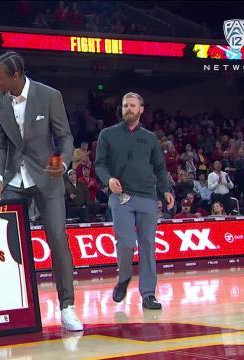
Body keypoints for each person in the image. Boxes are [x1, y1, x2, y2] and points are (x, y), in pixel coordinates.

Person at [0, 51, 82, 330]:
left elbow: (64, 138)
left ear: (15, 77)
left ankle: (67, 307)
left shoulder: (50, 95)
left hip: (47, 177)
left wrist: (60, 164)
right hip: (13, 179)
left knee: (57, 239)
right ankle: (12, 306)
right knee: (5, 245)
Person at [94, 92, 174, 310]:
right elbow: (99, 164)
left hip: (148, 196)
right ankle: (124, 279)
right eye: (124, 105)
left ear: (141, 109)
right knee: (127, 242)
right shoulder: (107, 134)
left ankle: (148, 294)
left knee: (148, 246)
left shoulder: (150, 137)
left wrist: (166, 190)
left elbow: (159, 167)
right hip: (121, 197)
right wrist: (108, 179)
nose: (127, 108)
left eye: (132, 105)